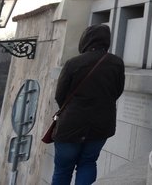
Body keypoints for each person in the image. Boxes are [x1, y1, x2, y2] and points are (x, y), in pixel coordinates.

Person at [51, 24, 125, 185]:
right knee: (88, 162)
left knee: (63, 169)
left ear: (85, 40)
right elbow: (118, 91)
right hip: (101, 123)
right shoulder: (116, 63)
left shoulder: (73, 63)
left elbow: (60, 95)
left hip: (71, 124)